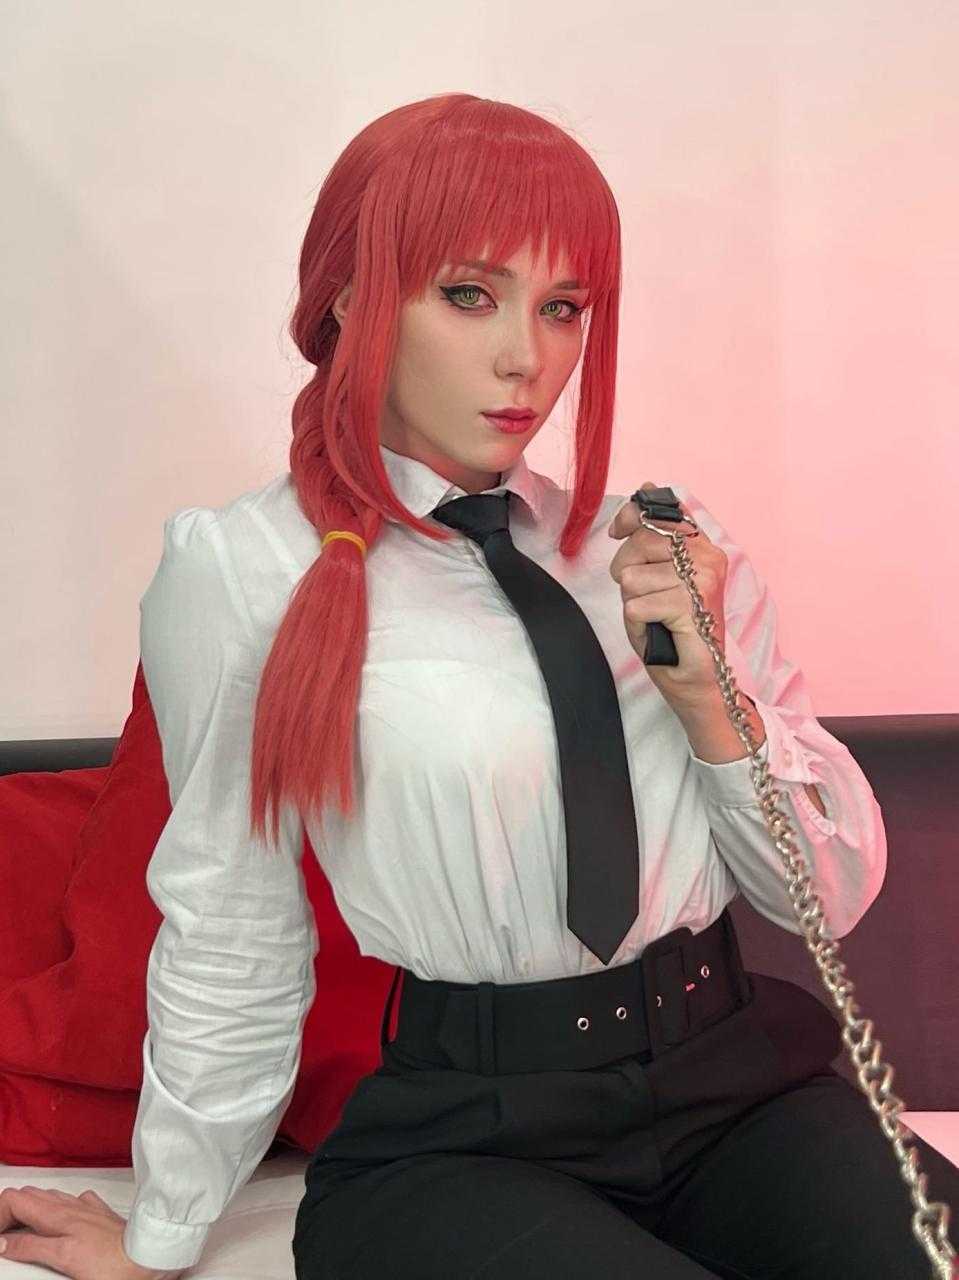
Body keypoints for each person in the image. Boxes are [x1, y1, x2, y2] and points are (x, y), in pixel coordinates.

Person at [2, 92, 954, 1280]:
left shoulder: (656, 549)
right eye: (467, 295)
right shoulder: (244, 568)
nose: (526, 358)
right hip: (466, 1132)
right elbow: (233, 920)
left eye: (561, 308)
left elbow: (829, 891)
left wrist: (713, 699)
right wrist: (163, 1228)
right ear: (348, 297)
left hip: (738, 1085)